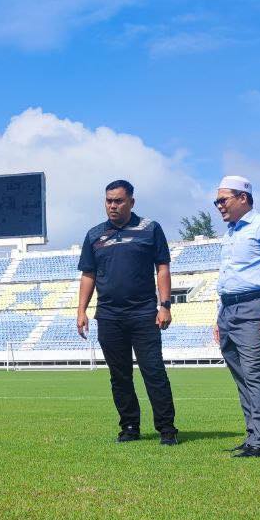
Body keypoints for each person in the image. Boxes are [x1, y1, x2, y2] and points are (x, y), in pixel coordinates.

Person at [76, 180, 179, 445]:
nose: (113, 205)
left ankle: (167, 429)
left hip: (144, 314)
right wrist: (81, 311)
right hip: (109, 316)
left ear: (131, 202)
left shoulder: (150, 229)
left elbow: (162, 267)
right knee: (119, 375)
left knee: (153, 371)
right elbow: (88, 275)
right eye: (109, 200)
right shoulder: (94, 235)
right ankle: (130, 426)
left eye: (119, 200)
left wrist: (164, 306)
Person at [211, 175, 260, 457]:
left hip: (254, 308)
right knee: (242, 377)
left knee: (256, 376)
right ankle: (253, 435)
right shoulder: (230, 232)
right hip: (228, 309)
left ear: (243, 198)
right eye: (217, 201)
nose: (219, 205)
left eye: (223, 200)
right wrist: (219, 315)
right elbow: (228, 277)